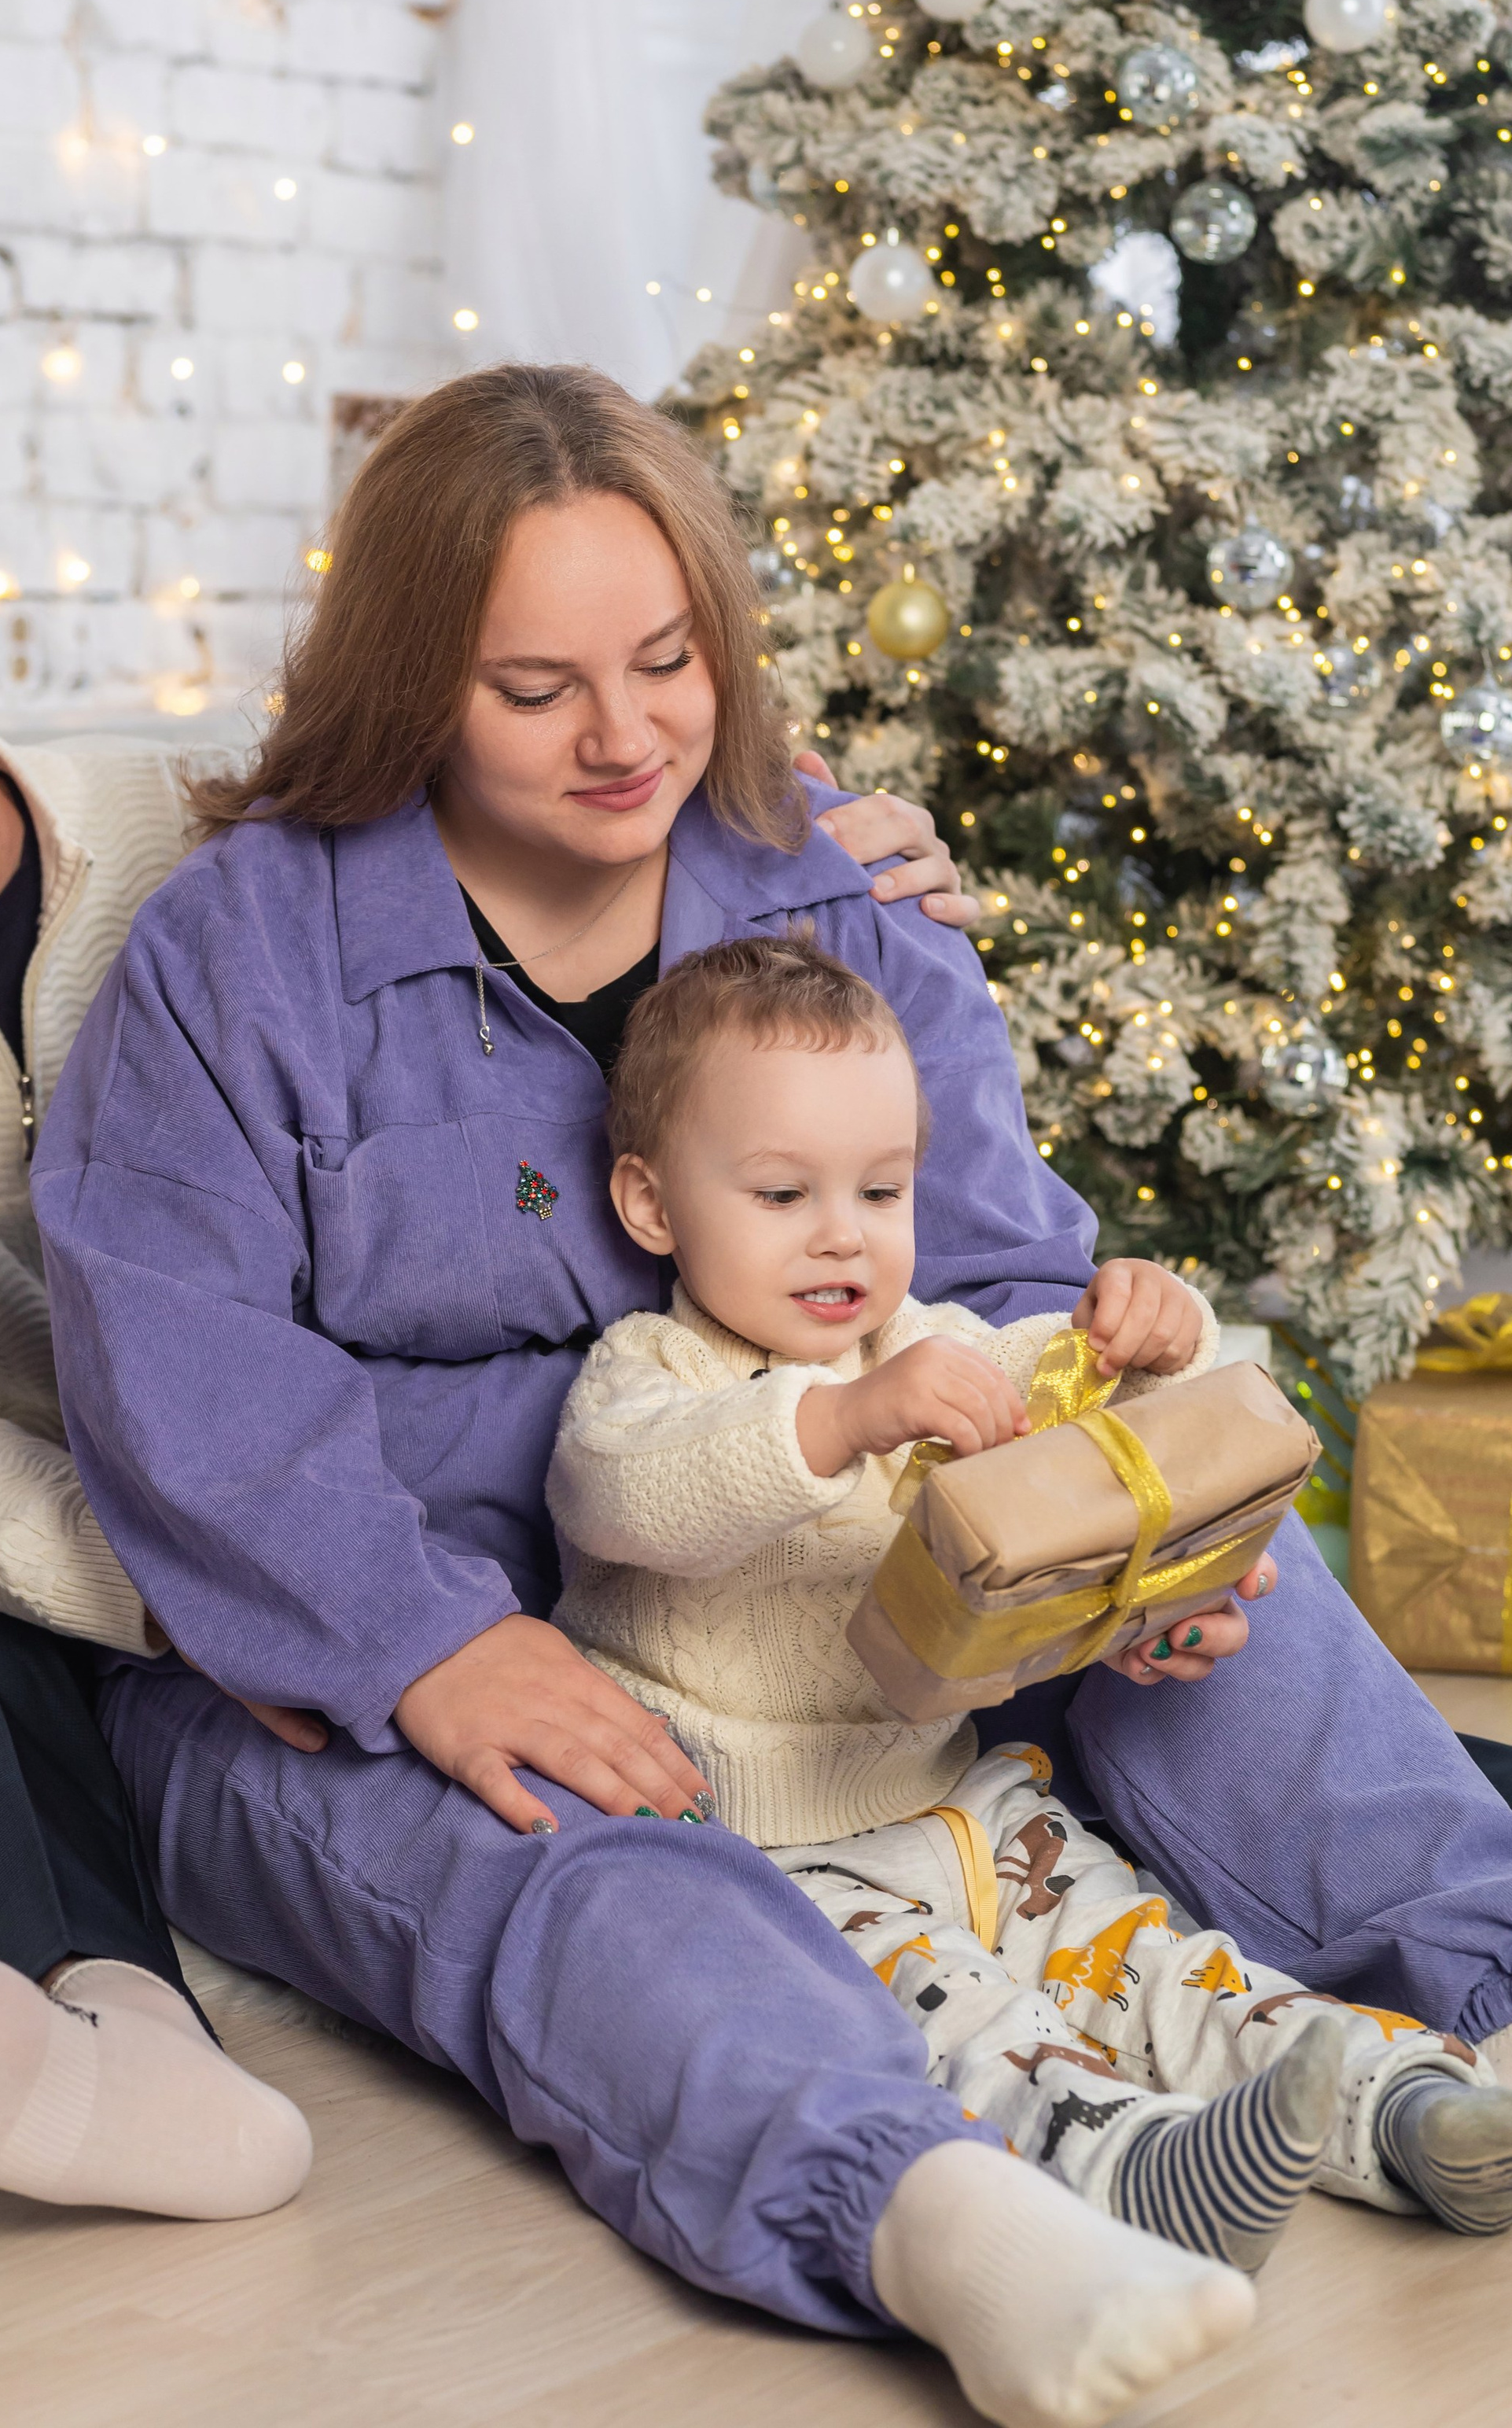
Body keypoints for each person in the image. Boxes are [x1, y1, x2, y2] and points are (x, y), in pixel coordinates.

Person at [31, 360, 1512, 2428]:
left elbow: (997, 1276)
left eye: (666, 661)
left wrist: (1121, 1539)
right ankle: (932, 2216)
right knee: (578, 1848)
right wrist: (421, 1646)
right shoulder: (239, 956)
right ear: (404, 677)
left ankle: (1489, 1992)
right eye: (535, 686)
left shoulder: (835, 886)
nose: (625, 734)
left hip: (863, 1571)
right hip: (412, 1629)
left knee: (1243, 1632)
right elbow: (169, 1367)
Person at [0, 492, 972, 2219]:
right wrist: (208, 1587)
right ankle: (106, 2039)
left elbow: (551, 793)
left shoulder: (195, 822)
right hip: (96, 1542)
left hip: (369, 1439)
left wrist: (822, 850)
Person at [547, 933, 1512, 2271]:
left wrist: (1154, 1330)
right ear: (652, 1206)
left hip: (967, 1797)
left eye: (882, 1190)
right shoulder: (648, 1372)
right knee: (978, 2028)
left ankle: (1399, 2101)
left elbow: (1073, 1398)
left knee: (1158, 1957)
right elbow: (627, 1494)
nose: (844, 1232)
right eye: (782, 1193)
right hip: (775, 1858)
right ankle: (1138, 2169)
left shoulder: (928, 1343)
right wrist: (837, 1419)